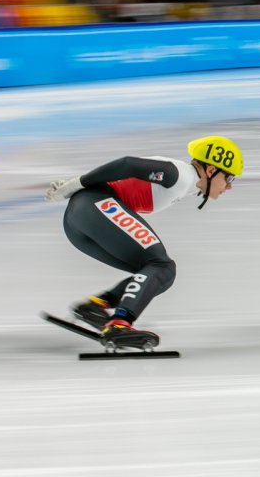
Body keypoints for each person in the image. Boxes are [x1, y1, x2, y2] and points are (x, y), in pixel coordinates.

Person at [45, 136, 242, 346]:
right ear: (211, 171)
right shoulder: (180, 175)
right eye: (229, 179)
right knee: (162, 266)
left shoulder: (189, 183)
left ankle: (95, 305)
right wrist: (76, 183)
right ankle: (119, 323)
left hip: (79, 223)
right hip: (94, 205)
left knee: (157, 278)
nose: (229, 187)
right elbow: (128, 164)